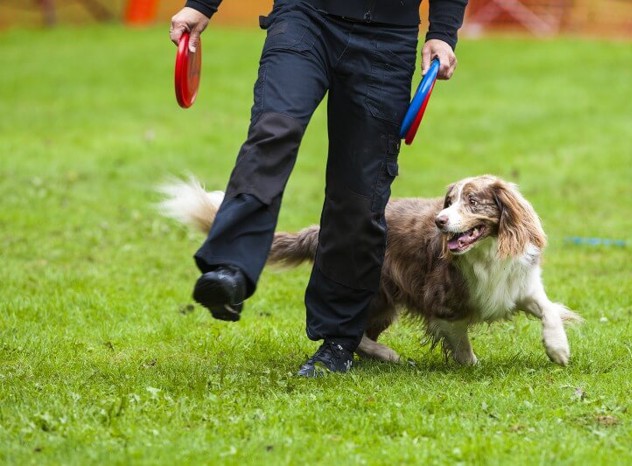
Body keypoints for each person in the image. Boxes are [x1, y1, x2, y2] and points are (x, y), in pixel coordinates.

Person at [169, 0, 468, 377]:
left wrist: (442, 32)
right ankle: (230, 268)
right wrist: (201, 5)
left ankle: (340, 340)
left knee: (360, 188)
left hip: (387, 37)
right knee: (273, 133)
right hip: (304, 16)